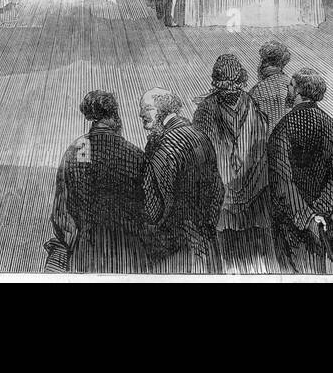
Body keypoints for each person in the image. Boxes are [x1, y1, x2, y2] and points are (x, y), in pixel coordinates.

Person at [47, 91, 147, 274]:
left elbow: (60, 212)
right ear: (114, 116)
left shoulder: (75, 151)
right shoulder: (135, 154)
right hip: (128, 252)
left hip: (86, 251)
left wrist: (74, 242)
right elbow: (147, 210)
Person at [192, 54, 271, 270]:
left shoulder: (206, 109)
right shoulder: (251, 103)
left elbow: (200, 154)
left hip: (223, 200)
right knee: (254, 259)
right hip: (252, 195)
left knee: (227, 261)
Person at [267, 67, 333, 274]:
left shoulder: (282, 128)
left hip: (290, 223)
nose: (287, 88)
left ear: (300, 92)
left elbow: (282, 181)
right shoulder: (331, 125)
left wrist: (307, 217)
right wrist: (319, 214)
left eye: (291, 86)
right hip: (321, 224)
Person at [139, 88, 224, 274]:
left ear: (163, 109)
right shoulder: (200, 136)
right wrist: (207, 224)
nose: (141, 114)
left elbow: (153, 205)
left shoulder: (165, 142)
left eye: (146, 108)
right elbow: (218, 189)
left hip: (176, 249)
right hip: (206, 242)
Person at [249, 40, 293, 131]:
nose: (259, 64)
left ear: (266, 63)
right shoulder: (291, 86)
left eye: (262, 60)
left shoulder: (256, 91)